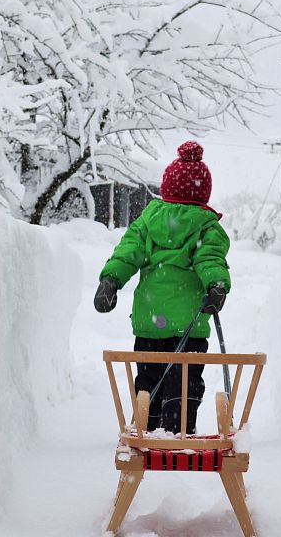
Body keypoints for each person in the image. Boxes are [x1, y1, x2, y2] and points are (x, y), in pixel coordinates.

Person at [94, 141, 230, 434]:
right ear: (202, 193)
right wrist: (216, 285)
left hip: (149, 324)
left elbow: (127, 253)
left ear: (167, 188)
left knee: (148, 383)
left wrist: (111, 280)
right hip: (189, 328)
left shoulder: (147, 221)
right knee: (185, 386)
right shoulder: (206, 227)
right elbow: (209, 259)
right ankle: (178, 434)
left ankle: (146, 432)